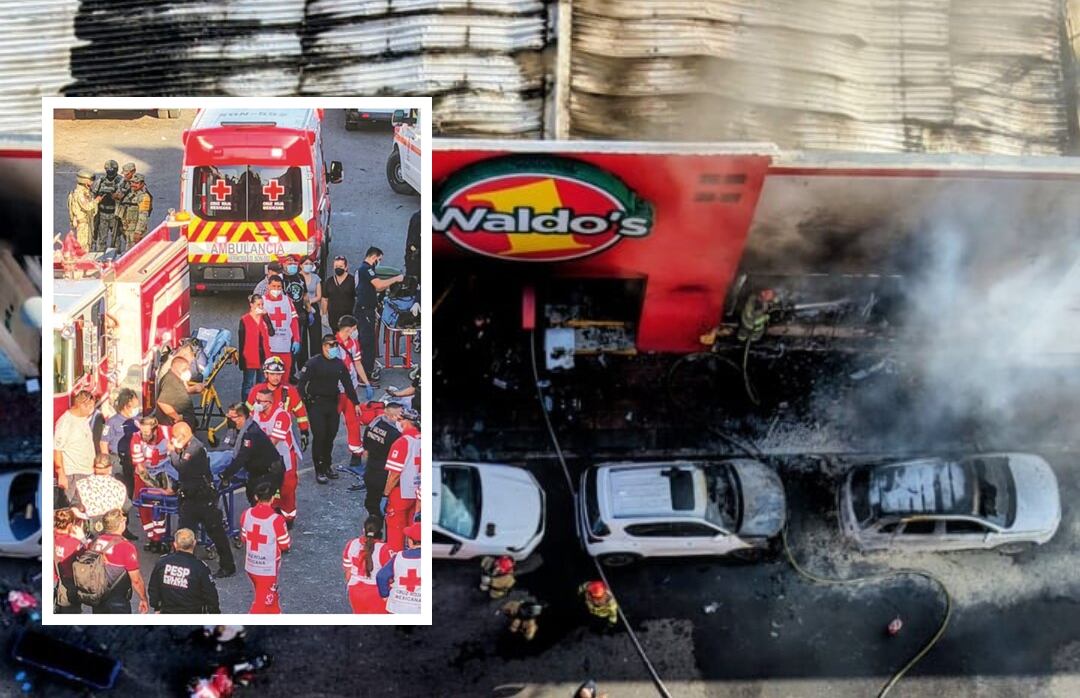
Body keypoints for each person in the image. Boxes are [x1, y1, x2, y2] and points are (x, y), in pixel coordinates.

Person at [169, 422, 236, 578]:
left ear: (183, 436)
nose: (172, 439)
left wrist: (172, 452)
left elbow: (181, 466)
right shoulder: (188, 447)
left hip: (203, 499)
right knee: (184, 534)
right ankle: (182, 567)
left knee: (216, 533)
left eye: (174, 437)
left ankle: (227, 565)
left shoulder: (195, 449)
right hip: (190, 498)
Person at [297, 335, 361, 484]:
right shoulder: (313, 363)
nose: (332, 348)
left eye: (334, 345)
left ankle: (327, 464)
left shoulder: (339, 364)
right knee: (320, 436)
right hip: (316, 404)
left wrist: (356, 402)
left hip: (332, 403)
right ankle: (319, 468)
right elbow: (301, 384)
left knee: (331, 435)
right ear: (323, 346)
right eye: (329, 345)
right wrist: (305, 401)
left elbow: (348, 384)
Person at [78, 509, 149, 614]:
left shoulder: (97, 541)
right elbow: (136, 580)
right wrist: (143, 599)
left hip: (98, 596)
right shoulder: (126, 547)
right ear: (121, 524)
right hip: (118, 598)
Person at [352, 246, 405, 385]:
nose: (379, 262)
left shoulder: (362, 270)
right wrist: (396, 279)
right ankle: (365, 375)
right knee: (367, 342)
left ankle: (366, 371)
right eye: (379, 259)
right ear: (374, 257)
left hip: (366, 309)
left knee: (368, 341)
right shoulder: (366, 269)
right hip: (365, 311)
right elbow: (379, 285)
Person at [251, 388, 301, 526]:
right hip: (267, 459)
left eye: (260, 401)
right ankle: (272, 510)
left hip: (284, 457)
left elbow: (272, 442)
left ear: (269, 402)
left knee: (287, 488)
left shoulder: (281, 416)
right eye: (256, 400)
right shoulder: (256, 412)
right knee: (269, 486)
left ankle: (289, 516)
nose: (257, 404)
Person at [219, 403, 286, 506]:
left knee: (264, 505)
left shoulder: (251, 434)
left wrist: (226, 474)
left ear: (242, 417)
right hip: (257, 471)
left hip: (268, 474)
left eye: (232, 417)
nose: (229, 420)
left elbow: (242, 457)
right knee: (253, 498)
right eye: (228, 416)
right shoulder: (242, 428)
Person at [240, 482, 290, 614]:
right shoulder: (276, 520)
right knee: (262, 603)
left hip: (251, 565)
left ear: (256, 497)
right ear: (273, 498)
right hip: (267, 569)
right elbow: (285, 545)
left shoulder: (247, 514)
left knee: (270, 600)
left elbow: (244, 538)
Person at [129, 415, 176, 552]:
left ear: (155, 429)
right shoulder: (137, 438)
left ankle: (159, 536)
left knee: (161, 505)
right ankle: (152, 537)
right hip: (145, 477)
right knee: (144, 506)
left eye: (147, 433)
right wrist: (155, 486)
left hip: (165, 471)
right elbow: (140, 467)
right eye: (142, 432)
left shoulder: (167, 432)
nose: (144, 435)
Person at [148, 528, 221, 614]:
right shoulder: (200, 567)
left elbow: (153, 587)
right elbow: (210, 594)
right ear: (194, 543)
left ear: (175, 544)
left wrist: (156, 607)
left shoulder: (162, 562)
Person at [245, 356, 310, 450]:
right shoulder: (256, 391)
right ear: (266, 374)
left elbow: (300, 413)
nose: (276, 377)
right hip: (260, 436)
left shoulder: (290, 391)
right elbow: (247, 414)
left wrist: (304, 432)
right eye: (272, 374)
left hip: (283, 438)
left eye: (278, 374)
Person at [335, 315, 373, 473]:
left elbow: (357, 363)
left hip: (351, 390)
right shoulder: (332, 344)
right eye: (355, 329)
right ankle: (323, 459)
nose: (356, 332)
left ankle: (356, 455)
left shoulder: (353, 343)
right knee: (329, 424)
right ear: (348, 329)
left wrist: (367, 382)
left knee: (353, 422)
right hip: (335, 391)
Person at [381, 411, 420, 551]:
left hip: (400, 493)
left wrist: (385, 494)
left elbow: (394, 475)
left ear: (406, 421)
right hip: (418, 495)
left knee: (395, 533)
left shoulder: (402, 442)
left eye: (400, 419)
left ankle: (396, 564)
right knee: (414, 531)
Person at [54, 390, 97, 506]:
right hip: (73, 475)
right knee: (72, 508)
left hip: (87, 472)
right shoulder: (66, 423)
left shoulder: (83, 419)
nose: (92, 410)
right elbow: (57, 450)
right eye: (90, 407)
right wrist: (61, 474)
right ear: (81, 405)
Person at [342, 516, 392, 614]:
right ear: (381, 531)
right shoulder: (384, 549)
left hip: (355, 591)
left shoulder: (351, 544)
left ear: (364, 529)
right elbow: (390, 576)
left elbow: (348, 572)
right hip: (377, 593)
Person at [362, 403, 403, 520]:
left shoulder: (373, 423)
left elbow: (365, 449)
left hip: (370, 469)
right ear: (392, 416)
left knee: (371, 500)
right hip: (385, 473)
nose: (401, 418)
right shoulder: (396, 434)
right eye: (400, 416)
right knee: (388, 503)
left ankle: (373, 524)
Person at [74, 455, 133, 537]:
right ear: (110, 468)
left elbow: (75, 506)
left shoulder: (81, 484)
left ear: (93, 468)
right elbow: (126, 507)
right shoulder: (119, 485)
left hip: (89, 526)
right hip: (112, 526)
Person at [376, 521, 422, 614]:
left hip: (396, 606)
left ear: (410, 541)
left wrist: (385, 595)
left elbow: (381, 576)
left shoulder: (398, 557)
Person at [262, 275, 300, 379]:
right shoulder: (262, 301)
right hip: (269, 347)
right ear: (268, 286)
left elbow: (294, 321)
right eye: (273, 286)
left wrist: (297, 339)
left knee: (284, 377)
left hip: (285, 345)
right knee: (270, 379)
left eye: (279, 287)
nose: (276, 289)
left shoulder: (287, 300)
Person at [237, 294, 274, 401]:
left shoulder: (264, 319)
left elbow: (272, 332)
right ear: (251, 305)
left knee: (261, 384)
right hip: (250, 357)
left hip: (264, 357)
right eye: (258, 304)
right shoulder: (244, 320)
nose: (261, 307)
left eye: (262, 304)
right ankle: (245, 406)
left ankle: (259, 404)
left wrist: (267, 317)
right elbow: (241, 340)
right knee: (248, 384)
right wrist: (242, 361)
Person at [99, 388, 140, 474]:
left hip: (134, 459)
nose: (137, 409)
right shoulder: (112, 422)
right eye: (135, 407)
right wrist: (106, 464)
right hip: (117, 460)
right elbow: (103, 443)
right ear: (126, 406)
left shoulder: (137, 420)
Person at [155, 356, 204, 428]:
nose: (187, 371)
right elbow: (162, 403)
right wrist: (177, 418)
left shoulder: (178, 378)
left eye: (188, 368)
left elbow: (181, 392)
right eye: (184, 369)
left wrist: (194, 389)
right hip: (176, 425)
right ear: (175, 369)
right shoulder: (170, 382)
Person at [54, 508, 86, 615]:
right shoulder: (75, 542)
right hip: (69, 585)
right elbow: (89, 560)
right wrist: (83, 539)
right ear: (70, 525)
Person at [90, 159, 126, 251]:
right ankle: (100, 256)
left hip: (115, 214)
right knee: (101, 238)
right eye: (108, 170)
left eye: (112, 170)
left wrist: (116, 195)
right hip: (102, 214)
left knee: (116, 238)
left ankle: (117, 256)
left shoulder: (121, 181)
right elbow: (93, 193)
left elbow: (124, 195)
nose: (110, 172)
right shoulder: (101, 180)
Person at [321, 255, 354, 332]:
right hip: (334, 320)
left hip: (348, 319)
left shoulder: (352, 281)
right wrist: (324, 315)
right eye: (336, 266)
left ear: (346, 267)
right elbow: (325, 299)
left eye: (340, 266)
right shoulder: (329, 281)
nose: (338, 268)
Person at [67, 169, 99, 250]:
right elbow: (87, 206)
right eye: (91, 180)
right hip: (82, 224)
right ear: (85, 181)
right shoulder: (80, 193)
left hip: (86, 222)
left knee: (88, 243)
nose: (92, 182)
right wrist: (97, 200)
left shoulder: (85, 191)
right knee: (83, 246)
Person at [299, 257, 323, 364]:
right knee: (302, 337)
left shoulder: (316, 278)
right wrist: (304, 304)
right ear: (301, 265)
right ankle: (303, 363)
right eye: (306, 263)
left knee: (316, 336)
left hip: (313, 308)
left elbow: (319, 296)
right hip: (301, 309)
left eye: (310, 263)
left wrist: (309, 303)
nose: (308, 265)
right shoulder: (297, 278)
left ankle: (316, 361)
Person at [119, 173, 152, 247]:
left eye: (136, 183)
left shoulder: (144, 197)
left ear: (142, 184)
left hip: (135, 231)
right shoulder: (130, 194)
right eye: (132, 182)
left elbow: (143, 216)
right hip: (128, 229)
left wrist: (138, 232)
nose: (133, 184)